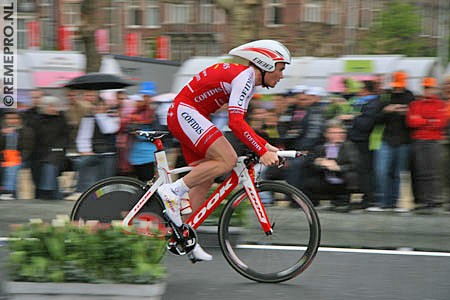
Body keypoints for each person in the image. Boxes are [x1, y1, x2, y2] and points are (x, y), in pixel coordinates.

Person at [157, 40, 291, 261]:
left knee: (204, 179)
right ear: (266, 65)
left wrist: (265, 146)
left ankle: (184, 237)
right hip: (185, 112)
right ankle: (172, 191)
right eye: (281, 69)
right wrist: (261, 149)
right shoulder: (244, 77)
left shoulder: (246, 79)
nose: (282, 75)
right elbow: (235, 122)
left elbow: (242, 124)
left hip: (190, 114)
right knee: (227, 159)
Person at [368, 71, 415, 212]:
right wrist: (386, 111)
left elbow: (414, 119)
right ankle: (383, 201)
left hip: (404, 141)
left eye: (399, 85)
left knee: (397, 173)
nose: (397, 88)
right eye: (395, 85)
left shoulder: (410, 97)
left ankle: (394, 203)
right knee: (381, 171)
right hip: (386, 139)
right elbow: (375, 119)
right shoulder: (386, 97)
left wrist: (407, 113)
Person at [406, 77, 448, 212]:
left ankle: (435, 200)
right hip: (419, 141)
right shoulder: (415, 104)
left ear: (435, 89)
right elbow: (411, 122)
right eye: (425, 87)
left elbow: (440, 123)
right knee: (422, 172)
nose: (427, 90)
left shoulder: (441, 105)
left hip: (434, 141)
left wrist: (422, 120)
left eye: (430, 88)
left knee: (435, 172)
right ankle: (424, 200)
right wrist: (429, 120)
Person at [302, 120, 359, 211]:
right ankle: (313, 203)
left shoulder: (349, 146)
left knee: (350, 175)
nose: (339, 135)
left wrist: (338, 167)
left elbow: (355, 165)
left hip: (343, 178)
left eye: (341, 132)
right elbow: (311, 162)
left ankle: (342, 201)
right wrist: (319, 163)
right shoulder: (320, 147)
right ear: (326, 134)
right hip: (325, 179)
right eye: (334, 132)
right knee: (307, 176)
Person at [348, 80, 384, 209]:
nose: (358, 91)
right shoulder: (364, 102)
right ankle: (367, 197)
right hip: (360, 140)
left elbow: (366, 124)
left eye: (361, 89)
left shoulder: (373, 104)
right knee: (362, 170)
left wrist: (353, 118)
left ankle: (369, 199)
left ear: (366, 90)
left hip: (365, 142)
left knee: (366, 171)